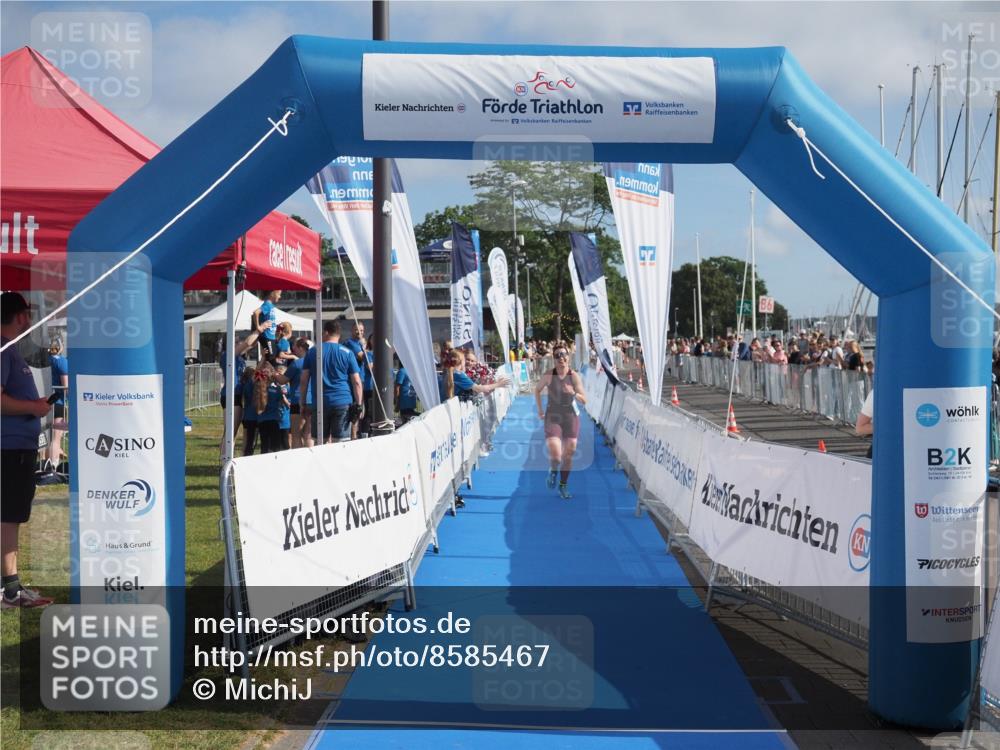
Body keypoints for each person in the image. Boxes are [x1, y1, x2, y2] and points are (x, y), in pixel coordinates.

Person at [1, 292, 54, 608]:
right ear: (20, 316)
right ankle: (10, 591)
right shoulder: (3, 349)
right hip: (10, 449)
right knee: (9, 517)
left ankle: (10, 587)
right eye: (27, 315)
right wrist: (33, 407)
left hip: (16, 448)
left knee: (10, 516)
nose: (30, 321)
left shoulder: (10, 350)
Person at [534, 343, 586, 500]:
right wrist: (540, 410)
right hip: (553, 416)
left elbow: (585, 400)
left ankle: (563, 485)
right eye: (557, 356)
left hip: (571, 416)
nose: (561, 358)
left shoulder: (574, 376)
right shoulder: (549, 375)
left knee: (568, 455)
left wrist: (574, 393)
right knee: (556, 457)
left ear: (568, 357)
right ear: (553, 359)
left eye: (563, 354)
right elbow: (537, 390)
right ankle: (553, 470)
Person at [301, 320, 363, 444]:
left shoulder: (313, 351)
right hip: (342, 401)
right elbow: (356, 381)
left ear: (325, 332)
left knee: (320, 443)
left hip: (319, 403)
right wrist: (359, 404)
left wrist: (302, 402)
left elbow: (304, 380)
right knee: (340, 444)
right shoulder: (347, 352)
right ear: (339, 334)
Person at [218, 319, 272, 460]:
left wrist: (261, 335)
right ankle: (225, 461)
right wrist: (259, 329)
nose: (239, 343)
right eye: (236, 342)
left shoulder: (238, 357)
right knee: (230, 432)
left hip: (237, 395)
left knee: (234, 432)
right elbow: (247, 343)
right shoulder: (227, 356)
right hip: (230, 395)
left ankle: (228, 459)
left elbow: (251, 344)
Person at [439, 348, 508, 402]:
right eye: (466, 360)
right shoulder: (458, 374)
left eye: (472, 361)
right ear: (461, 361)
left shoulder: (450, 371)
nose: (468, 362)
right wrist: (498, 384)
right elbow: (478, 389)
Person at [45, 336, 68, 473]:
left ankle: (46, 465)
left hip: (44, 400)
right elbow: (66, 386)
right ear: (60, 347)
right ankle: (53, 468)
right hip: (57, 401)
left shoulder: (44, 360)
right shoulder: (62, 361)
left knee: (47, 436)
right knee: (55, 437)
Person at [285, 338, 311, 448]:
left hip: (297, 400)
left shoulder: (296, 363)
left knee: (296, 435)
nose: (293, 349)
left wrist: (274, 374)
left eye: (295, 346)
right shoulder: (315, 361)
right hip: (312, 400)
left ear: (301, 348)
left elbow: (283, 380)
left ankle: (299, 462)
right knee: (308, 435)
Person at [252, 290, 282, 358]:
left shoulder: (271, 305)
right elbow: (256, 313)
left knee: (273, 357)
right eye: (279, 294)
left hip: (271, 336)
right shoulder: (267, 304)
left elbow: (270, 320)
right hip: (267, 336)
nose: (280, 296)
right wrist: (258, 327)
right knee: (270, 358)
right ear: (272, 294)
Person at [240, 366, 259, 456]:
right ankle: (248, 455)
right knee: (251, 440)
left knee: (246, 439)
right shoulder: (250, 385)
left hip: (246, 416)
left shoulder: (244, 384)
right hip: (253, 416)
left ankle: (244, 454)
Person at [394, 355, 418, 423]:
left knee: (405, 421)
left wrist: (397, 403)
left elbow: (397, 388)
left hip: (404, 402)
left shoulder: (402, 371)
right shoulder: (412, 371)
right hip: (411, 401)